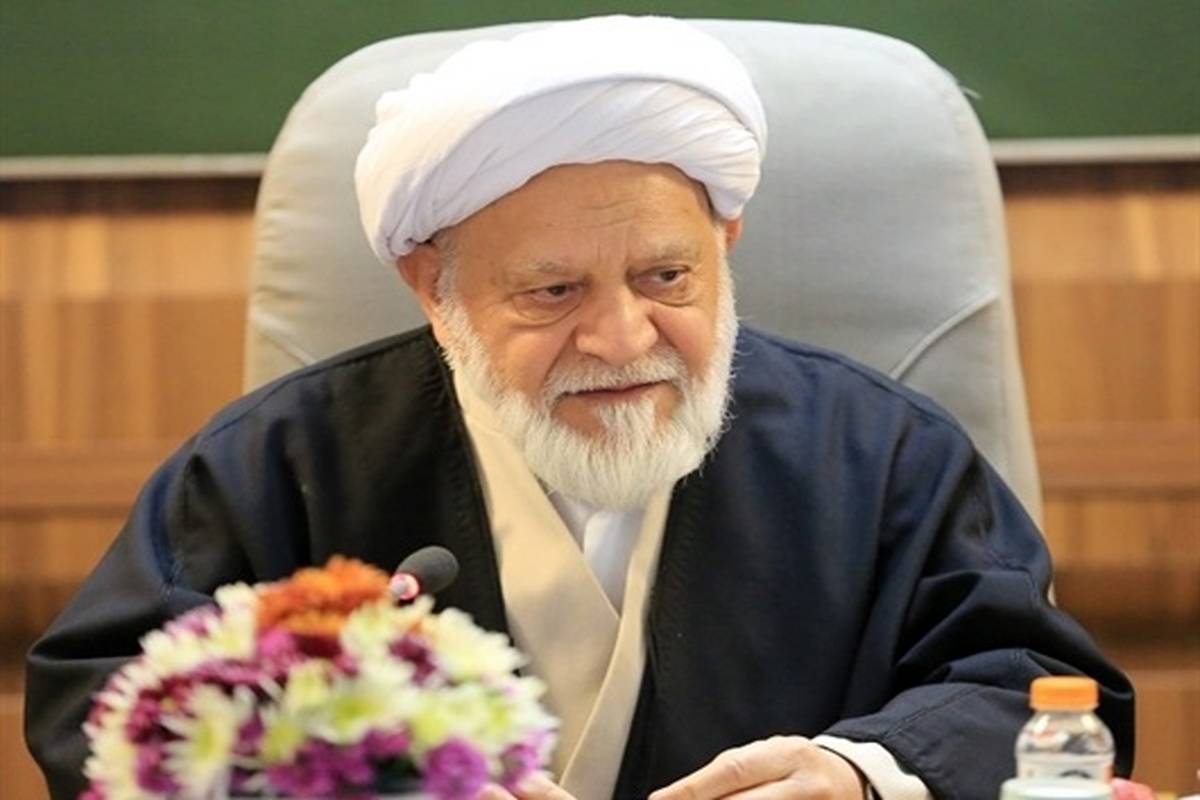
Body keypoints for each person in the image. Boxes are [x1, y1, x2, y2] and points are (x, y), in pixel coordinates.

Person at [26, 15, 1133, 800]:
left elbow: (1037, 691)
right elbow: (103, 704)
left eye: (667, 277)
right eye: (553, 291)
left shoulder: (881, 454)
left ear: (727, 244)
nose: (622, 336)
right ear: (433, 286)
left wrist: (865, 773)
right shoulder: (281, 459)